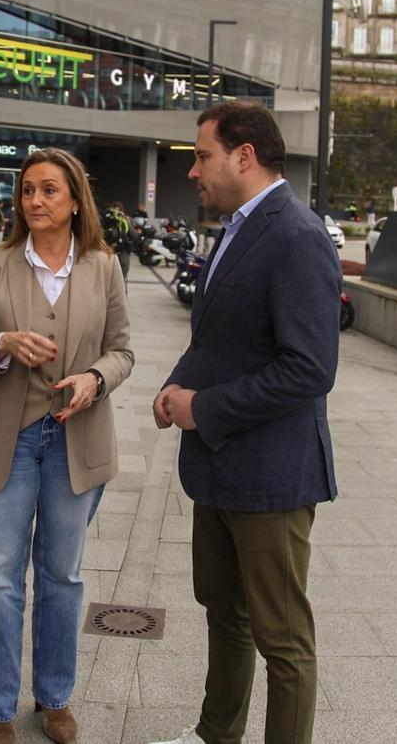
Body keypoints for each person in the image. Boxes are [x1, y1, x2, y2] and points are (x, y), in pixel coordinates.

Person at [148, 102, 340, 744]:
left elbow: (309, 369)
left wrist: (203, 408)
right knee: (224, 615)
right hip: (221, 470)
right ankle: (216, 734)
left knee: (282, 639)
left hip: (272, 478)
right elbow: (216, 338)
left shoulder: (297, 235)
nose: (194, 170)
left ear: (244, 156)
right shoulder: (237, 227)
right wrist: (179, 380)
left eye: (203, 156)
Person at [0, 147, 134, 744]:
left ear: (76, 200)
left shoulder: (103, 266)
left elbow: (124, 351)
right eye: (28, 190)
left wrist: (94, 379)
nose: (35, 201)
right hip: (7, 439)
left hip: (76, 442)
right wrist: (2, 344)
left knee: (63, 576)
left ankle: (54, 699)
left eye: (49, 190)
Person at [102, 201, 137, 289]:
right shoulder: (107, 221)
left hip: (114, 251)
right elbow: (134, 235)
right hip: (114, 251)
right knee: (118, 280)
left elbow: (134, 235)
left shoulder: (123, 220)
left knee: (114, 280)